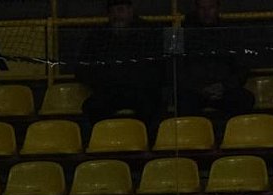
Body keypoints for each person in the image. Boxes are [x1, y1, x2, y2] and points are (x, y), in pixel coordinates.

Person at [74, 0, 166, 131]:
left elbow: (160, 66)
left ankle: (148, 140)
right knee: (93, 107)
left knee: (153, 106)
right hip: (110, 91)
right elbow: (82, 67)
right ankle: (103, 139)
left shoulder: (149, 32)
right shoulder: (97, 36)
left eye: (121, 10)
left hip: (142, 90)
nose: (117, 15)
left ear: (130, 11)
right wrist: (105, 81)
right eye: (112, 11)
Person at [178, 0, 254, 121]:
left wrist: (224, 86)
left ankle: (230, 132)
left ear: (218, 8)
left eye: (210, 8)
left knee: (245, 99)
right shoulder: (182, 33)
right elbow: (176, 68)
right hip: (195, 90)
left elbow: (242, 67)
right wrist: (199, 88)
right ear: (196, 9)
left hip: (224, 89)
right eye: (202, 8)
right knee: (184, 101)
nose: (206, 12)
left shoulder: (230, 33)